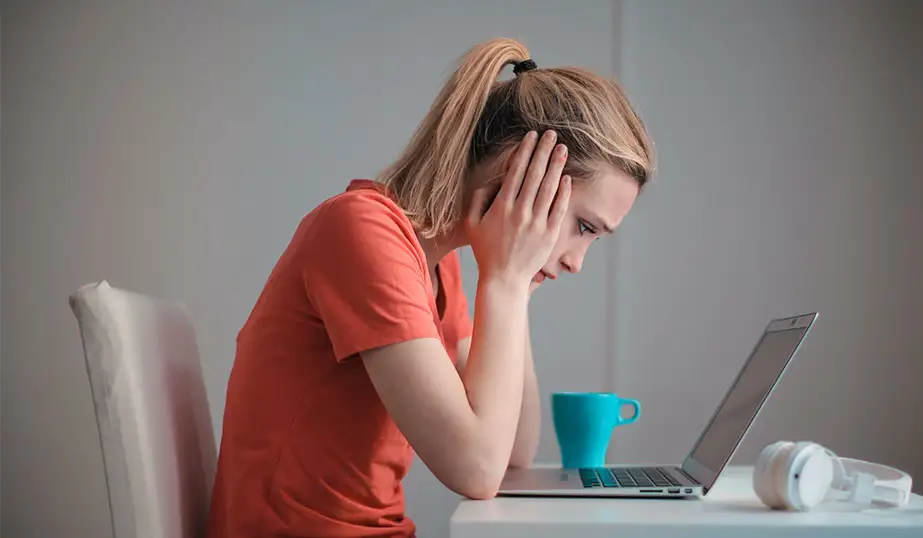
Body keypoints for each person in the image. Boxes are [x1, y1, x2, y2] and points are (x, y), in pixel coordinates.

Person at [206, 37, 654, 538]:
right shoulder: (361, 232)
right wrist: (505, 281)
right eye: (586, 228)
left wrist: (514, 285)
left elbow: (512, 454)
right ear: (520, 175)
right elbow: (477, 470)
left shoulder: (440, 267)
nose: (577, 262)